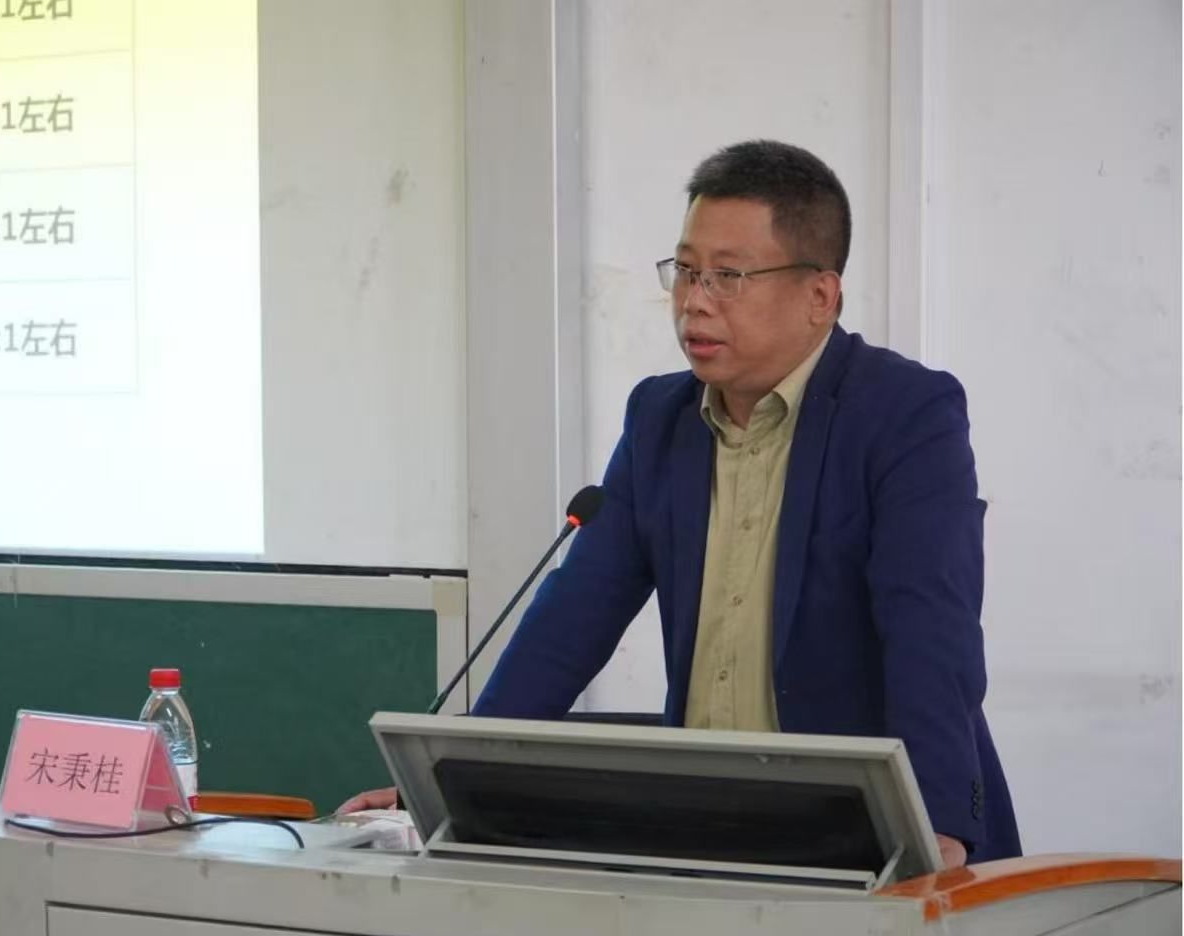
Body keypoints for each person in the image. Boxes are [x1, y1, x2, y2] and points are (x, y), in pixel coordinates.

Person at [341, 140, 1020, 867]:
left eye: (729, 276)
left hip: (869, 834)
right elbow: (574, 616)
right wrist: (446, 781)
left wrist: (936, 826)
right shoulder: (660, 420)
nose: (695, 300)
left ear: (820, 297)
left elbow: (931, 629)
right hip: (711, 830)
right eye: (687, 271)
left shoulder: (905, 415)